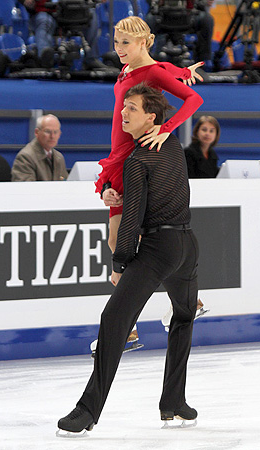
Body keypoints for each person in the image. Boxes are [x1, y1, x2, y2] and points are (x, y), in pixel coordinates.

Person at [58, 83, 201, 434]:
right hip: (187, 246)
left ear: (150, 116)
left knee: (114, 321)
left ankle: (87, 411)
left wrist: (120, 264)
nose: (122, 113)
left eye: (131, 108)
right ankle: (173, 402)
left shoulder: (137, 161)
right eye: (124, 107)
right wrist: (114, 192)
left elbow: (133, 220)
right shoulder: (175, 147)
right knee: (183, 315)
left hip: (158, 251)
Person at [94, 16, 204, 349]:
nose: (118, 49)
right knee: (120, 237)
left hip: (134, 157)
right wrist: (183, 72)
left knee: (122, 236)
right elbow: (165, 70)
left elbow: (194, 100)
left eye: (125, 43)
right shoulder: (131, 70)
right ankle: (186, 302)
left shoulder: (150, 71)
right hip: (118, 157)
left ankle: (127, 326)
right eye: (115, 42)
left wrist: (168, 127)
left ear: (144, 41)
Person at [19, 0, 106, 69]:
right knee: (44, 21)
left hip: (71, 10)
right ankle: (45, 58)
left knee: (91, 16)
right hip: (46, 11)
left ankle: (91, 58)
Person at [145, 0, 215, 67]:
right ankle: (145, 60)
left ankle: (204, 60)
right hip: (162, 17)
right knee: (147, 23)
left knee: (207, 20)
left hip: (189, 16)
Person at [11, 114, 68, 181]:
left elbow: (66, 185)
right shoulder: (25, 157)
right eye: (48, 131)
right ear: (37, 132)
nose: (52, 136)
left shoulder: (59, 157)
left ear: (59, 134)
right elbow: (25, 189)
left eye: (55, 132)